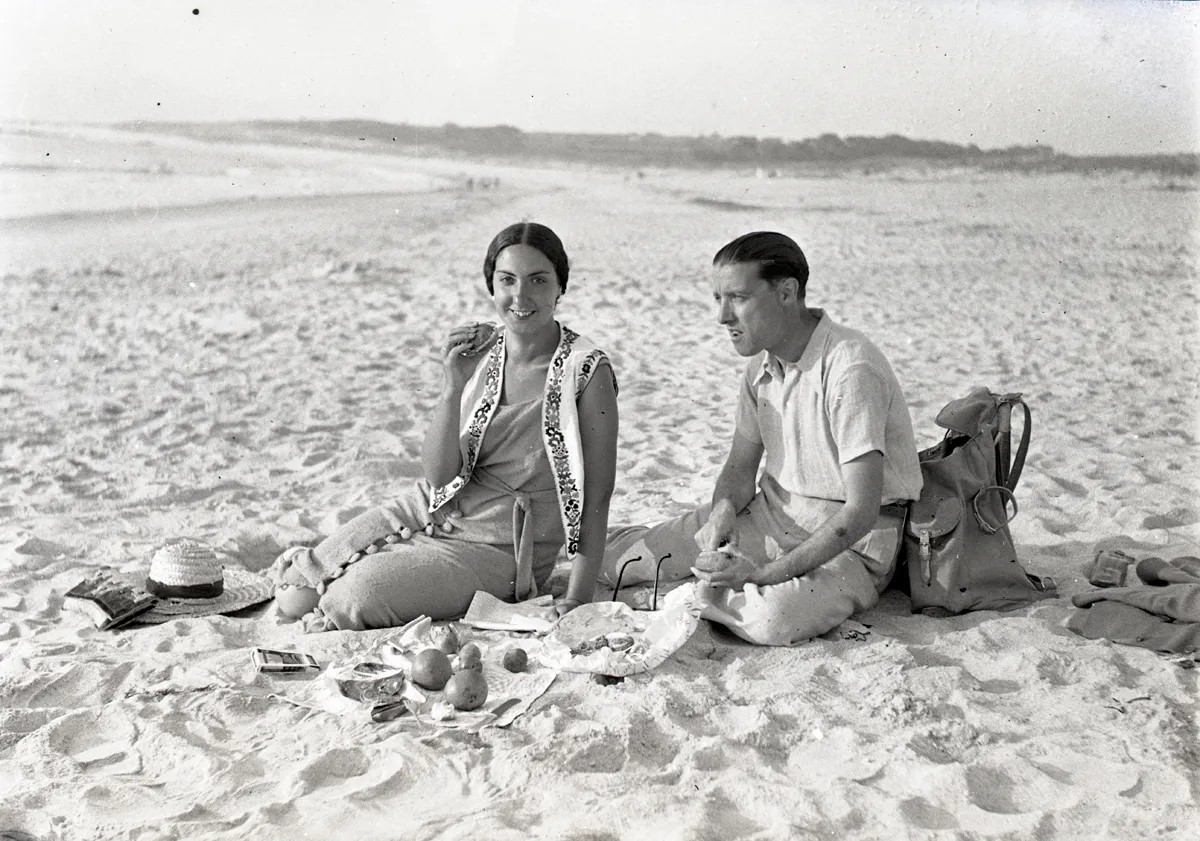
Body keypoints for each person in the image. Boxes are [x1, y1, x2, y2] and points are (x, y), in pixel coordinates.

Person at [274, 222, 619, 631]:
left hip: (497, 549)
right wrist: (453, 385)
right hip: (429, 508)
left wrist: (577, 596)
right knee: (295, 593)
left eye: (539, 281)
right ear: (491, 286)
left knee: (349, 600)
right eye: (507, 280)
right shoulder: (483, 352)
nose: (521, 296)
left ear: (561, 287)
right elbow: (440, 476)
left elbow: (596, 496)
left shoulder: (586, 373)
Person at [603, 231, 922, 646]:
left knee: (772, 619)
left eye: (737, 297)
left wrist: (763, 574)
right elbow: (739, 469)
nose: (722, 317)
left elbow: (860, 512)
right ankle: (685, 584)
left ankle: (693, 596)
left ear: (787, 292)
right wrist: (722, 512)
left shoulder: (849, 368)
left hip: (853, 544)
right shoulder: (760, 368)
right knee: (616, 565)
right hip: (770, 515)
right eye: (718, 298)